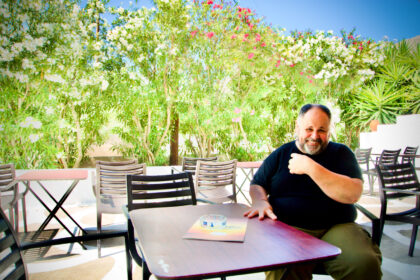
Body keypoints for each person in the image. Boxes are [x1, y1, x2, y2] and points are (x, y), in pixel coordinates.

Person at [244, 104, 382, 280]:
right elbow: (257, 184)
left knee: (363, 263)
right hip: (290, 229)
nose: (315, 136)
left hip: (338, 226)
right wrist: (260, 201)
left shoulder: (341, 153)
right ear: (298, 128)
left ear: (329, 131)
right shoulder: (281, 154)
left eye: (321, 130)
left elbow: (353, 193)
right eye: (309, 129)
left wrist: (311, 167)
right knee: (282, 263)